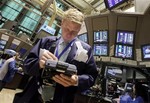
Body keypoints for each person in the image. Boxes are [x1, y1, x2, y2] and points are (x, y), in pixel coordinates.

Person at [21, 8, 98, 103]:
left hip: (62, 99)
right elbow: (26, 65)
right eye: (67, 29)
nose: (69, 34)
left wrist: (77, 80)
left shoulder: (86, 50)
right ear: (62, 23)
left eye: (74, 31)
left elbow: (91, 77)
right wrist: (39, 64)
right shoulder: (46, 42)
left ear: (79, 30)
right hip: (35, 96)